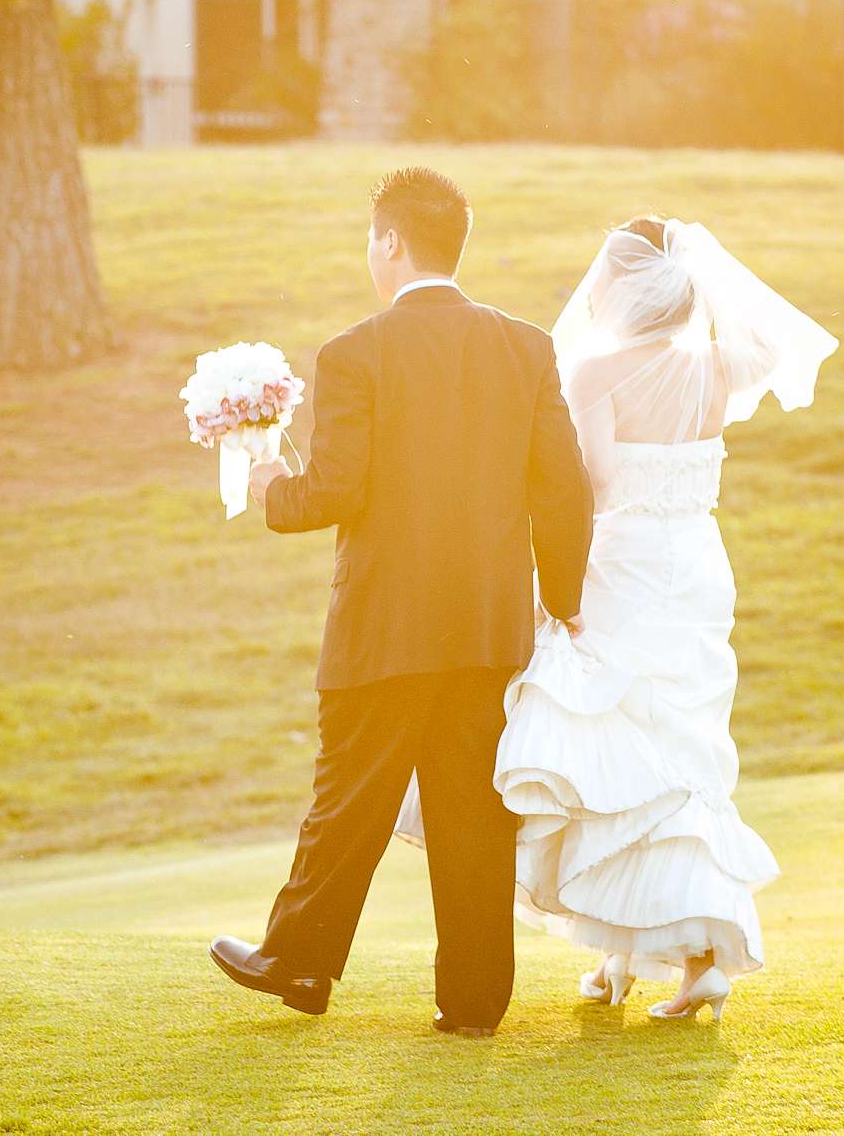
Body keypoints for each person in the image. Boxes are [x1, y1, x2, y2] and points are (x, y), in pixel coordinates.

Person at [398, 214, 837, 1023]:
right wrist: (708, 287)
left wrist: (541, 571)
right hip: (697, 565)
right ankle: (653, 955)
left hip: (624, 564)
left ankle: (645, 949)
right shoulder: (715, 365)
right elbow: (770, 344)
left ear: (623, 289)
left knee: (616, 753)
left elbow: (594, 480)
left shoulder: (597, 371)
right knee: (682, 748)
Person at [207, 167, 593, 1038]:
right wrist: (562, 599)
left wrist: (272, 485)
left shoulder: (355, 353)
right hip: (490, 631)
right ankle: (474, 1001)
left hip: (382, 627)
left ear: (389, 242)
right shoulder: (526, 347)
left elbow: (333, 491)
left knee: (348, 799)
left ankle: (298, 958)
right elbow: (563, 490)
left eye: (368, 239)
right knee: (473, 815)